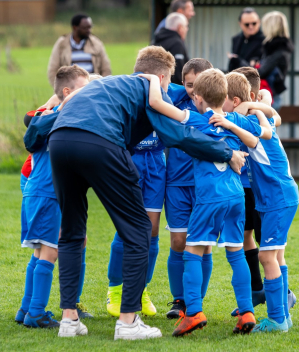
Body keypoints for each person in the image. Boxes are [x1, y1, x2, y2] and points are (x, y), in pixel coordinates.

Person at [31, 45, 248, 340]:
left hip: (60, 141)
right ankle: (128, 322)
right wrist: (227, 152)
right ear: (161, 77)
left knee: (70, 232)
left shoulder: (102, 84)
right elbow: (176, 135)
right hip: (100, 142)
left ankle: (69, 321)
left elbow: (36, 128)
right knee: (138, 232)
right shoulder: (150, 88)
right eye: (168, 80)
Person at [140, 68, 273, 337]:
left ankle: (193, 312)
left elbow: (156, 103)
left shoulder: (196, 119)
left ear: (197, 97)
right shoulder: (236, 119)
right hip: (236, 196)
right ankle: (246, 311)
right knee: (235, 253)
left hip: (209, 197)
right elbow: (263, 132)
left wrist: (153, 79)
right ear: (225, 95)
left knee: (192, 251)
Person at [212, 71, 299, 333]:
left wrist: (228, 121)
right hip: (280, 197)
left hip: (277, 199)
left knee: (266, 255)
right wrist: (259, 103)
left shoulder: (247, 119)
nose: (220, 105)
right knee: (276, 255)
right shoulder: (259, 114)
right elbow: (268, 110)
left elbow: (256, 133)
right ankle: (282, 314)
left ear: (235, 101)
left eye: (223, 100)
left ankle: (277, 320)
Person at [16, 65, 90, 329]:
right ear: (68, 92)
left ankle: (25, 308)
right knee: (49, 252)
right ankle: (36, 313)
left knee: (38, 252)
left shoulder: (44, 117)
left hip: (36, 192)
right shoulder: (57, 118)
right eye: (83, 89)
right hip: (49, 194)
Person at [164, 58, 214, 319]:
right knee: (178, 241)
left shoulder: (216, 102)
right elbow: (151, 84)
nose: (193, 91)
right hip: (176, 183)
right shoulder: (174, 97)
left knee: (203, 245)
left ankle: (197, 300)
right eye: (188, 84)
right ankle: (179, 301)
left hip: (205, 185)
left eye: (199, 85)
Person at [106, 130, 166, 318]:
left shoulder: (175, 98)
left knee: (152, 228)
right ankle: (115, 290)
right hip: (130, 158)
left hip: (156, 161)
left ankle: (142, 289)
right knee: (127, 225)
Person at [47, 13, 111, 87]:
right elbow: (53, 70)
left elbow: (106, 69)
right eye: (85, 28)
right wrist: (62, 90)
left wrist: (101, 87)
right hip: (70, 90)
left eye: (90, 27)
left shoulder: (96, 43)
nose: (89, 30)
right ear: (75, 27)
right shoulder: (62, 44)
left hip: (93, 88)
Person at [257, 11, 294, 111]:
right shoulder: (279, 48)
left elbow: (261, 72)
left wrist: (241, 63)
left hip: (269, 98)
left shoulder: (278, 51)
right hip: (270, 96)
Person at [154, 13, 189, 85]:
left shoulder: (156, 41)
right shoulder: (177, 44)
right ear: (180, 27)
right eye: (186, 26)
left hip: (154, 86)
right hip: (170, 90)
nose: (187, 29)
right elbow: (178, 72)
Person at [228, 8, 265, 72]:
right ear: (240, 24)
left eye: (254, 23)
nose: (251, 27)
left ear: (259, 22)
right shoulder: (236, 39)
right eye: (247, 24)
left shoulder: (265, 40)